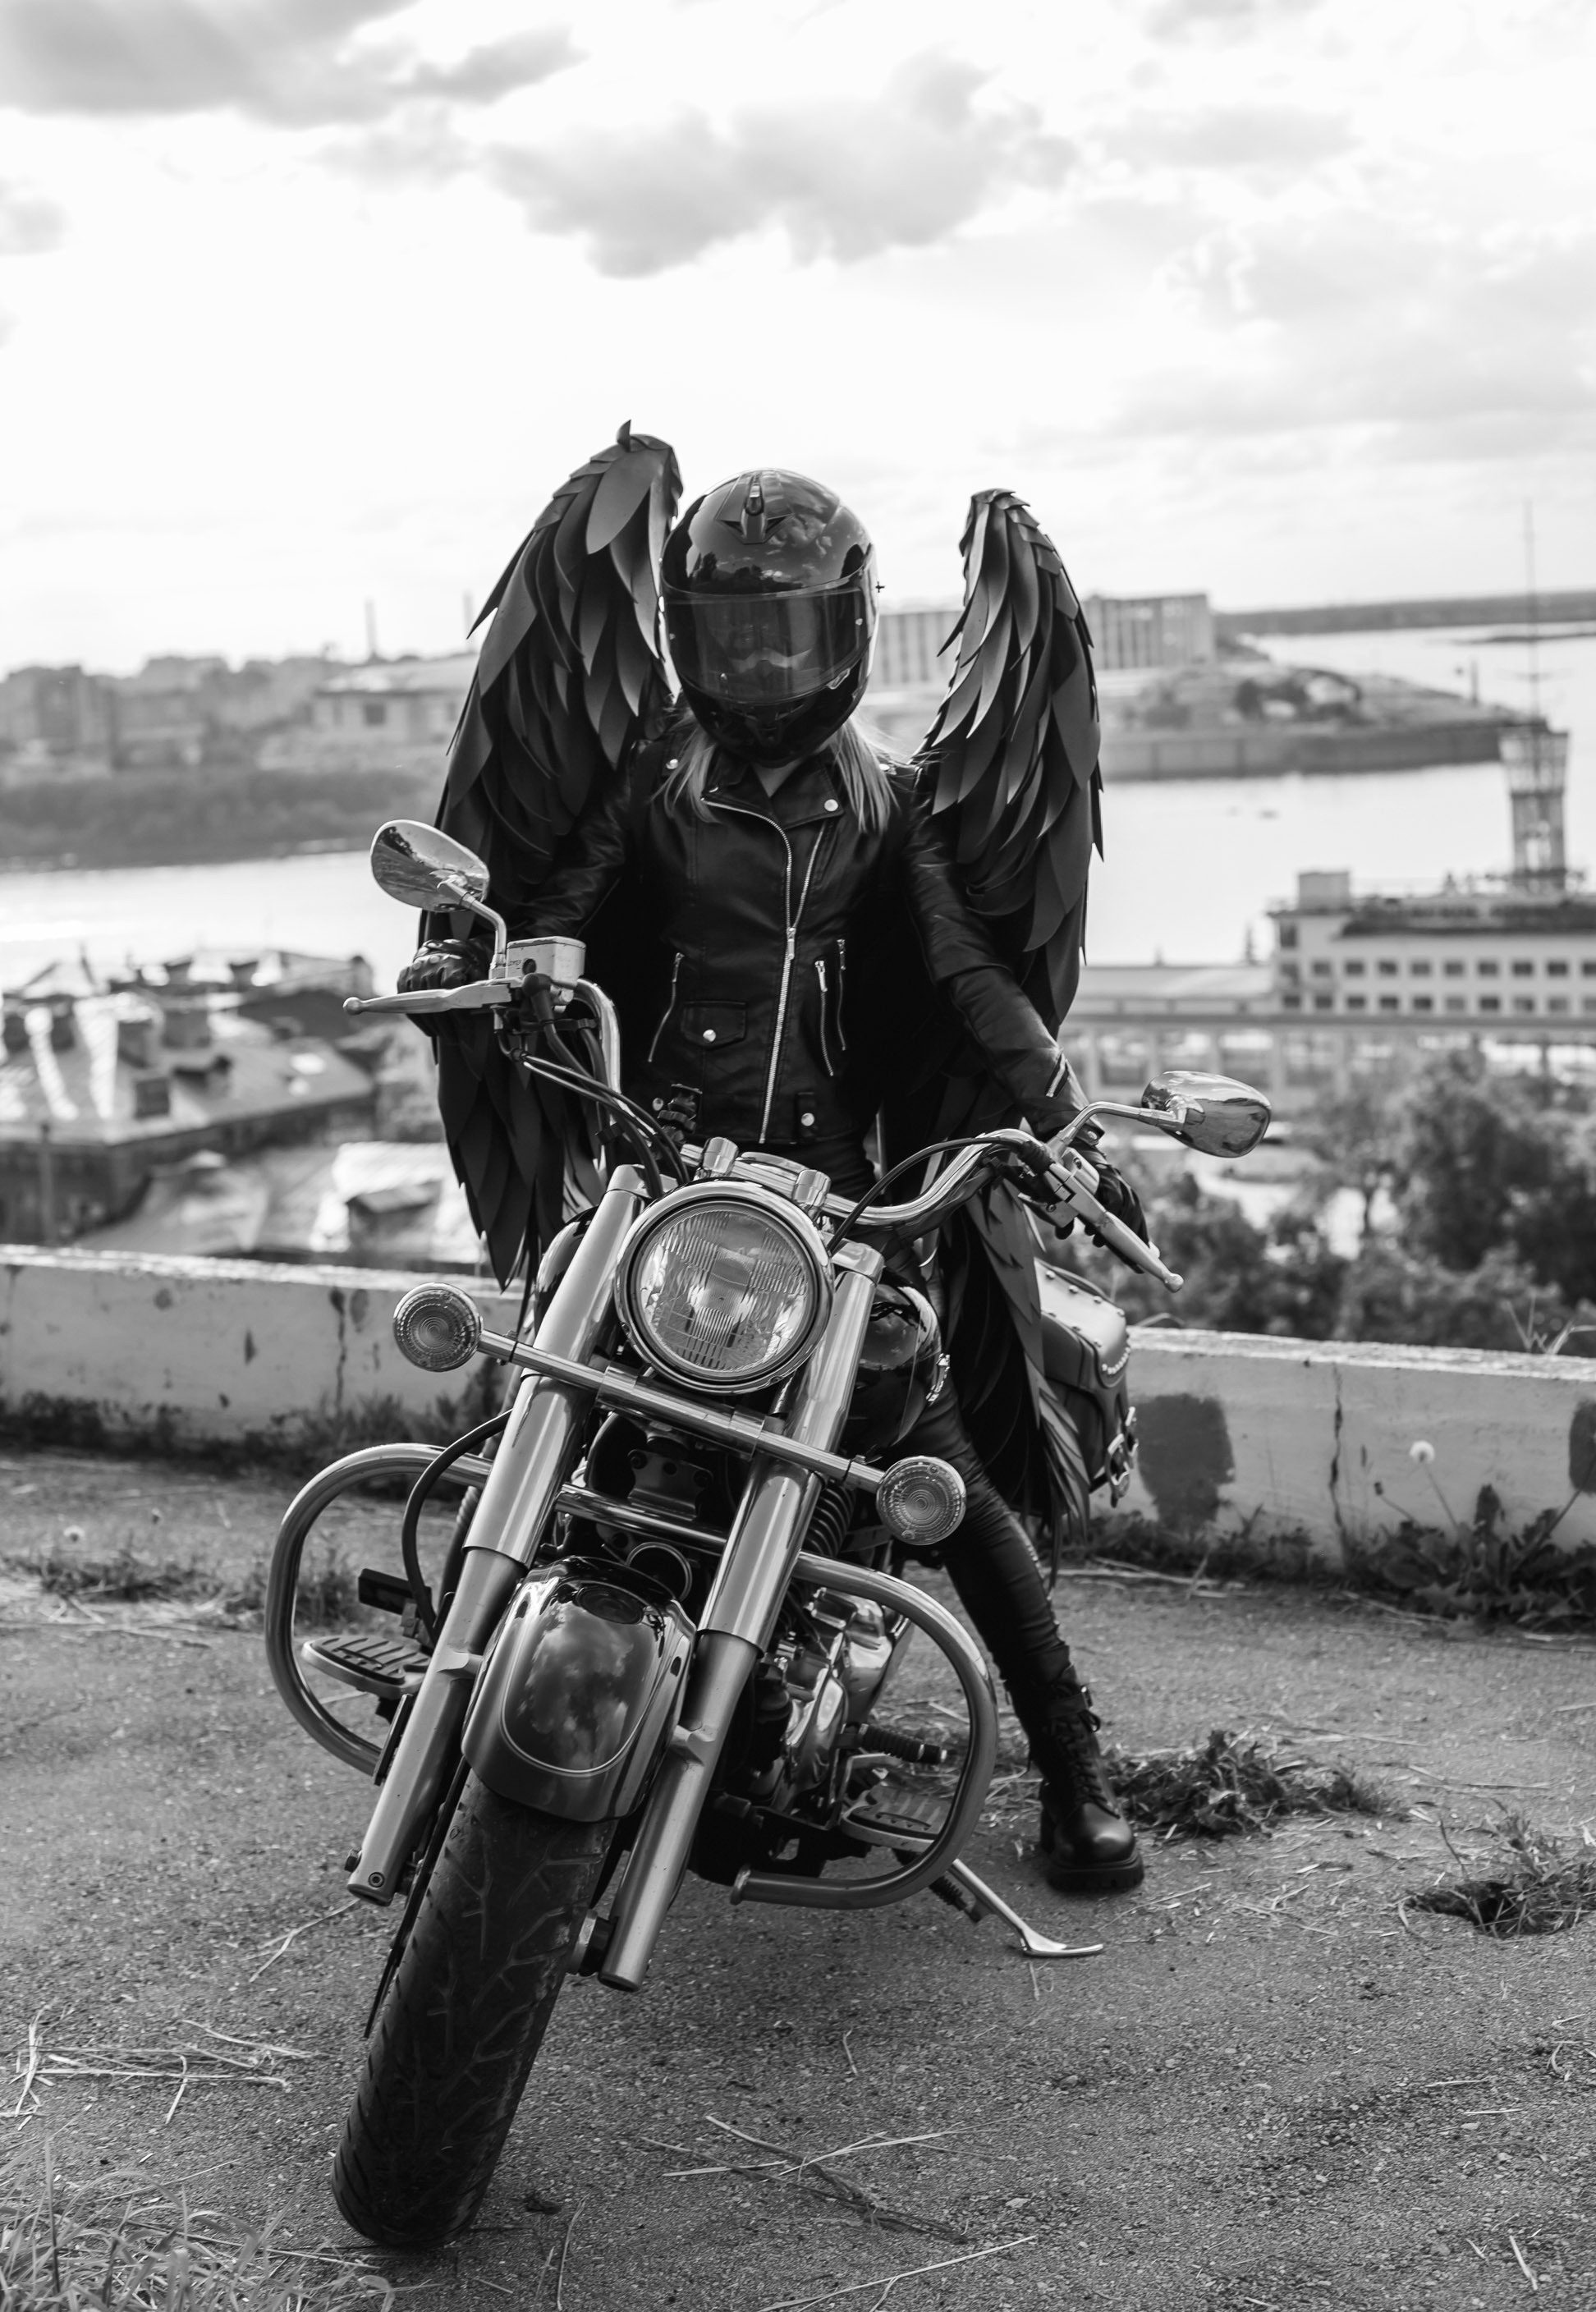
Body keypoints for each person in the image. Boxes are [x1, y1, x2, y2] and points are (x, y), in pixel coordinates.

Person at [403, 465, 1147, 1894]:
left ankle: (1071, 1760)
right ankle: (464, 1690)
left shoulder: (889, 808)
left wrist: (1057, 1106)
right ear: (687, 638)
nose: (758, 669)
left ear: (850, 634)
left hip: (832, 1202)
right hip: (664, 1169)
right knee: (546, 1380)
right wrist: (489, 966)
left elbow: (965, 968)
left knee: (937, 1460)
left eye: (786, 640)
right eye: (732, 640)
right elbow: (555, 916)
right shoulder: (648, 786)